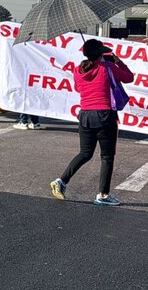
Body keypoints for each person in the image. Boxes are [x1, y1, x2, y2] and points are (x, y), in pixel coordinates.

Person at [51, 39, 134, 206]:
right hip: (105, 116)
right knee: (107, 157)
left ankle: (61, 181)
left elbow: (79, 88)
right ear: (100, 55)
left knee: (85, 153)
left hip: (85, 116)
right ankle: (103, 195)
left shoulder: (77, 70)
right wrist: (117, 61)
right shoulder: (107, 68)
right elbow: (129, 78)